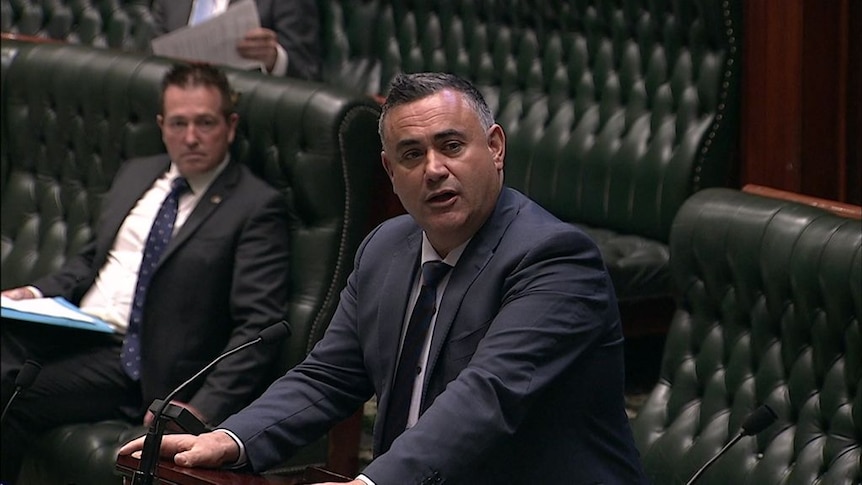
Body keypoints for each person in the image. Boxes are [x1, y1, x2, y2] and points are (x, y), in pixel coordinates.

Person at [121, 72, 648, 484]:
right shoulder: (386, 249)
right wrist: (232, 438)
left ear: (495, 147)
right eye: (412, 155)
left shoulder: (554, 259)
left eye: (452, 146)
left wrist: (372, 482)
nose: (434, 169)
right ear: (390, 173)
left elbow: (487, 396)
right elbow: (329, 376)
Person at [1, 63, 291, 483]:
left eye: (205, 123)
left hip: (133, 360)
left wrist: (204, 405)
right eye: (179, 123)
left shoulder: (254, 206)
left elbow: (258, 324)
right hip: (72, 332)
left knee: (11, 389)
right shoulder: (137, 173)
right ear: (161, 125)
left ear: (230, 126)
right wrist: (31, 292)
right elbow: (91, 261)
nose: (191, 137)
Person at [151, 0, 321, 80]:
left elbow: (306, 73)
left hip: (247, 114)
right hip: (177, 111)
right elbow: (152, 60)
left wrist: (274, 59)